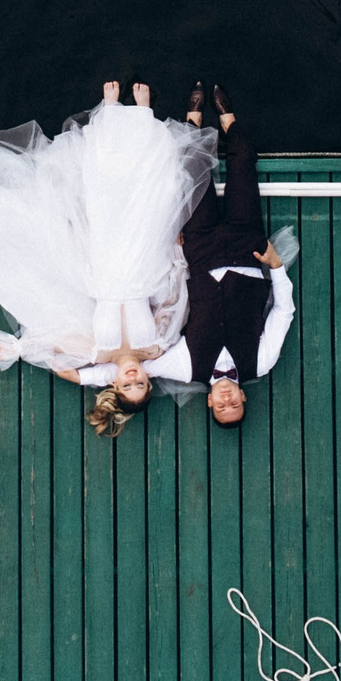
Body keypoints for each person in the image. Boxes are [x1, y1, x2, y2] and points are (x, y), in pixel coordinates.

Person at [0, 79, 217, 432]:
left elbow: (56, 351)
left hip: (100, 266)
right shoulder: (159, 347)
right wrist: (176, 255)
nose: (132, 379)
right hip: (142, 263)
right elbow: (175, 301)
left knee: (102, 194)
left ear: (114, 384)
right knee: (144, 194)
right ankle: (140, 114)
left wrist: (17, 350)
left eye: (125, 385)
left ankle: (111, 112)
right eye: (140, 384)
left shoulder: (94, 354)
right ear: (149, 381)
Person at [72, 84, 293, 429]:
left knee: (192, 174)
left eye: (221, 407)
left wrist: (89, 381)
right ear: (243, 397)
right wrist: (276, 264)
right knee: (243, 163)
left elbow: (129, 370)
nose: (227, 400)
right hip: (247, 251)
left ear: (209, 402)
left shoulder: (184, 368)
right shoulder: (261, 363)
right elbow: (283, 311)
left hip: (200, 253)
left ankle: (192, 119)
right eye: (234, 404)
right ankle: (228, 119)